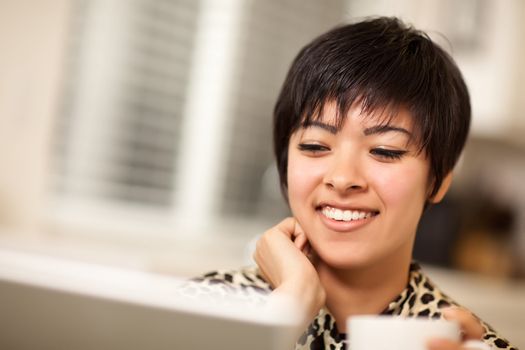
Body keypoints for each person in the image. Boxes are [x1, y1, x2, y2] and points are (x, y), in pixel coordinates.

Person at [182, 17, 516, 350]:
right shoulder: (198, 312)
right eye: (315, 146)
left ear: (437, 183)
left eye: (385, 151)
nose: (342, 179)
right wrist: (289, 306)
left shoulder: (471, 344)